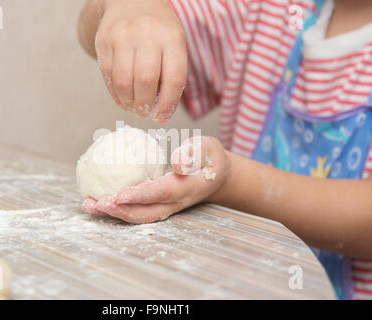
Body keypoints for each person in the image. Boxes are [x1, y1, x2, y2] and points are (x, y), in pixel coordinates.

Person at [77, 0, 372, 299]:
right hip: (243, 285)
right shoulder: (265, 9)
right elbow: (92, 30)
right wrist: (128, 8)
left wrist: (232, 180)